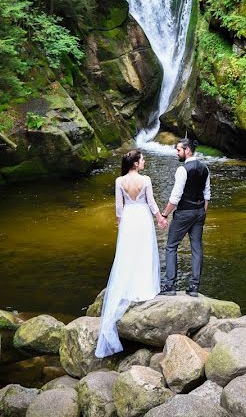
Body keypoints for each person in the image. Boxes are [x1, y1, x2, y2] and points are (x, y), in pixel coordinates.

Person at [95, 149, 167, 358]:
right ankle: (144, 288)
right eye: (142, 159)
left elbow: (119, 207)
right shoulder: (145, 180)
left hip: (129, 218)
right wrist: (160, 218)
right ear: (135, 163)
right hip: (143, 217)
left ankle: (128, 287)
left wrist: (120, 223)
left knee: (127, 253)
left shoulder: (119, 181)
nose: (144, 161)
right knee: (144, 252)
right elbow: (152, 202)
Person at [159, 138, 211, 297]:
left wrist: (164, 214)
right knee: (197, 248)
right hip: (199, 211)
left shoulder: (182, 170)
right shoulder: (205, 168)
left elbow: (175, 197)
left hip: (183, 213)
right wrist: (201, 212)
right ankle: (194, 287)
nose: (176, 153)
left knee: (171, 246)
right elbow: (207, 194)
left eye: (178, 150)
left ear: (187, 150)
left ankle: (170, 285)